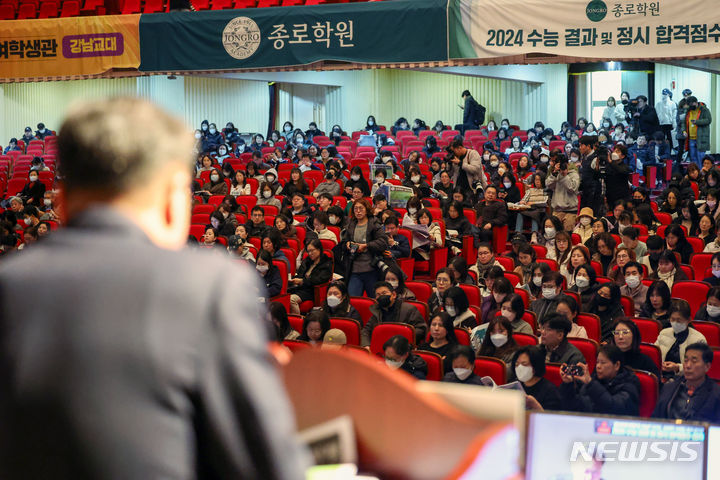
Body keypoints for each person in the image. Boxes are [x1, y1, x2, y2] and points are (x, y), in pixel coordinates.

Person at [0, 98, 308, 479]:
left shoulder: (9, 284)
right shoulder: (212, 286)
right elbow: (268, 467)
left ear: (60, 205)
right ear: (173, 199)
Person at [559, 344, 640, 416]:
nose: (598, 366)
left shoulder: (629, 384)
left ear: (617, 365)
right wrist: (568, 384)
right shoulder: (595, 381)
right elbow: (575, 406)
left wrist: (590, 383)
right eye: (597, 362)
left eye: (603, 362)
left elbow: (613, 408)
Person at [652, 342, 720, 423]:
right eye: (686, 360)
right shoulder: (669, 388)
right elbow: (655, 419)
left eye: (694, 361)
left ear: (707, 366)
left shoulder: (716, 394)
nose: (688, 366)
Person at [341, 198, 389, 297]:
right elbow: (343, 242)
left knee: (375, 300)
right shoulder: (351, 224)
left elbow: (383, 242)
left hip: (371, 268)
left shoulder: (374, 223)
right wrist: (347, 244)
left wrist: (367, 245)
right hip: (354, 268)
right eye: (355, 209)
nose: (358, 211)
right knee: (353, 300)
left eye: (361, 208)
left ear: (367, 209)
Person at [362, 282, 427, 347]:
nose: (381, 296)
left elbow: (421, 329)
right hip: (382, 347)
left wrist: (404, 340)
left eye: (384, 293)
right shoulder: (376, 311)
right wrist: (366, 345)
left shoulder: (409, 309)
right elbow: (366, 331)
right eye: (378, 295)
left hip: (403, 347)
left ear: (394, 295)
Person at [656, 299, 707, 380]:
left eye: (679, 320)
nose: (675, 323)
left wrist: (677, 368)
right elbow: (655, 355)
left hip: (686, 380)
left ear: (689, 320)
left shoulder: (698, 339)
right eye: (672, 319)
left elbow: (699, 367)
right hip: (661, 377)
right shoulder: (664, 333)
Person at [288, 239, 333, 314]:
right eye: (308, 251)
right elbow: (300, 275)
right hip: (300, 288)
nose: (310, 253)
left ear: (319, 249)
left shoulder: (326, 263)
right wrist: (293, 280)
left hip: (312, 291)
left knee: (291, 300)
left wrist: (302, 281)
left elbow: (319, 279)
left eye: (312, 250)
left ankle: (298, 322)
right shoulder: (307, 261)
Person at [546, 153, 580, 231]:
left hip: (571, 210)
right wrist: (554, 173)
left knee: (567, 234)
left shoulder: (574, 174)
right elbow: (548, 185)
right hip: (557, 209)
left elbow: (572, 188)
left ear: (568, 164)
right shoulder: (555, 174)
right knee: (554, 233)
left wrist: (564, 176)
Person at [685, 96, 712, 167]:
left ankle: (702, 174)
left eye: (691, 105)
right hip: (691, 138)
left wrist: (697, 122)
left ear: (696, 102)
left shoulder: (704, 109)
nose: (690, 107)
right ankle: (695, 174)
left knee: (701, 158)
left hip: (701, 137)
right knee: (693, 158)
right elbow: (685, 122)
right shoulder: (689, 110)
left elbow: (708, 120)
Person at [578, 136, 602, 217]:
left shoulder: (596, 158)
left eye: (581, 145)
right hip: (585, 192)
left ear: (588, 146)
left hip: (593, 194)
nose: (580, 148)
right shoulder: (584, 158)